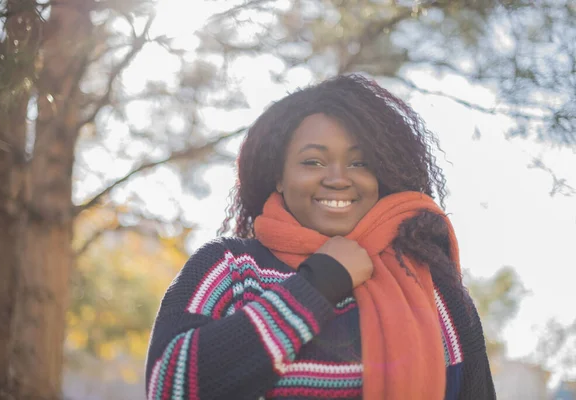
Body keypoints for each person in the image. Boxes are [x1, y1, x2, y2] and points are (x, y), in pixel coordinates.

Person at [145, 74, 496, 400]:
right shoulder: (229, 269)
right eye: (313, 162)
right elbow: (169, 384)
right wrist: (319, 284)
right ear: (279, 177)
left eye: (360, 163)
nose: (338, 178)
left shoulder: (434, 290)